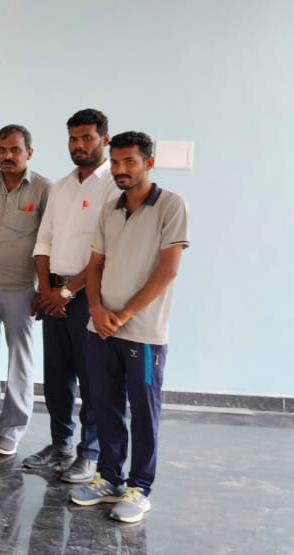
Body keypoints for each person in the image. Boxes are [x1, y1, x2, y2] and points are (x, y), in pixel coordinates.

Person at [69, 131, 190, 524]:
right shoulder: (110, 208)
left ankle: (140, 487)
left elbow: (168, 270)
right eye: (116, 162)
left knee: (143, 411)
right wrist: (96, 309)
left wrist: (122, 315)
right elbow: (95, 266)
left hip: (143, 333)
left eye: (130, 162)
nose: (121, 169)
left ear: (148, 163)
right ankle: (109, 478)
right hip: (101, 329)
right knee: (103, 405)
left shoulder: (170, 205)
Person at [23, 108, 122, 483]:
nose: (78, 145)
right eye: (73, 139)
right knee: (57, 376)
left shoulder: (113, 186)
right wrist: (45, 289)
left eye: (87, 138)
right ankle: (60, 445)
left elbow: (107, 250)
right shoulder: (61, 187)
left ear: (104, 140)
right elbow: (44, 240)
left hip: (89, 296)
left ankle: (89, 453)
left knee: (93, 377)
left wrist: (66, 291)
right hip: (54, 293)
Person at [0, 124, 51, 457]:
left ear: (28, 152)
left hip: (21, 288)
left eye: (15, 150)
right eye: (2, 150)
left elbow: (48, 240)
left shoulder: (44, 189)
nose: (7, 156)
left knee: (20, 358)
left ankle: (12, 428)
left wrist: (43, 288)